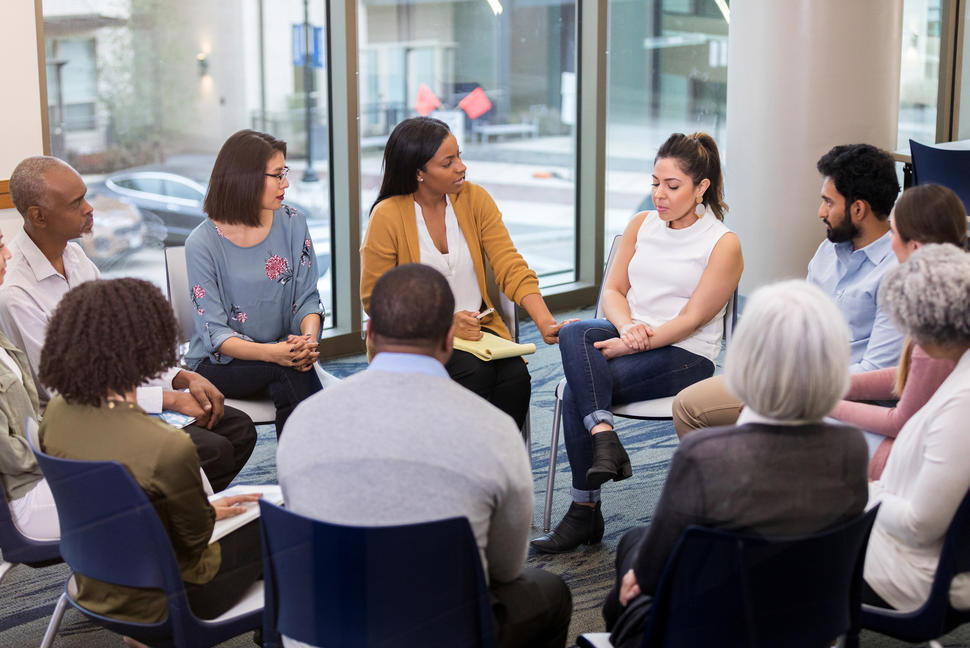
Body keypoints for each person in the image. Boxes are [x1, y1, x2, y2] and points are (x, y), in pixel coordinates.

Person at [278, 264, 572, 648]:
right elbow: (505, 566)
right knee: (549, 591)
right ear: (450, 341)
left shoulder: (305, 418)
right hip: (443, 631)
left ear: (369, 334)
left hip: (321, 630)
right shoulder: (495, 430)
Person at [601, 280, 869, 647]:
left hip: (710, 629)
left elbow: (651, 574)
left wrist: (640, 578)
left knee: (630, 559)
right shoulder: (851, 447)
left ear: (746, 359)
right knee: (637, 542)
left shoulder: (707, 455)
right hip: (805, 624)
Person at [531, 132, 743, 553]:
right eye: (655, 183)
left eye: (672, 186)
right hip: (635, 331)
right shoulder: (640, 224)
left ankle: (584, 512)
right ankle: (604, 431)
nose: (659, 195)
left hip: (686, 354)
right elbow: (613, 292)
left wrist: (634, 344)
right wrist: (628, 328)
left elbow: (693, 318)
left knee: (578, 391)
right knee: (575, 331)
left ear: (701, 188)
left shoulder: (722, 243)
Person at [0, 156, 256, 492]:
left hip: (121, 398)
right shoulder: (16, 293)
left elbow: (118, 349)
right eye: (77, 202)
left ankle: (179, 514)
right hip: (84, 420)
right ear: (38, 216)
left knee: (237, 429)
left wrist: (179, 377)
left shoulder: (76, 258)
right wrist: (165, 400)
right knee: (211, 451)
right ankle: (166, 523)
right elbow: (65, 392)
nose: (90, 208)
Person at [38, 278, 262, 624]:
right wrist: (206, 516)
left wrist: (206, 511)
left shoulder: (56, 414)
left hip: (93, 582)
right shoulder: (168, 447)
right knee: (279, 528)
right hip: (167, 602)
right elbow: (196, 540)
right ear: (149, 347)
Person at [671, 143, 903, 438]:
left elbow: (876, 374)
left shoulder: (899, 275)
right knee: (688, 406)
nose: (821, 211)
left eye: (829, 203)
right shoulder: (829, 250)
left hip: (847, 399)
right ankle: (722, 480)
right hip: (795, 378)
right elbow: (798, 329)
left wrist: (787, 391)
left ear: (858, 209)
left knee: (759, 425)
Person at [360, 116, 574, 430]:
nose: (461, 166)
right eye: (448, 162)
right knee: (474, 373)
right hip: (420, 340)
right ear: (419, 172)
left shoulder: (474, 199)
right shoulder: (388, 215)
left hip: (479, 332)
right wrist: (444, 324)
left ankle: (498, 470)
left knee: (515, 377)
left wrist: (545, 322)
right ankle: (462, 468)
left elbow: (509, 264)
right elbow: (375, 299)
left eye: (459, 156)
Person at [185, 129, 324, 438]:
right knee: (287, 371)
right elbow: (215, 334)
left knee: (289, 374)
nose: (286, 183)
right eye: (277, 175)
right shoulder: (203, 243)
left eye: (284, 173)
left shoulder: (293, 223)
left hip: (284, 355)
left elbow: (307, 299)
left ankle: (304, 464)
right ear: (246, 179)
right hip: (219, 365)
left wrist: (307, 342)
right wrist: (275, 353)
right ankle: (319, 461)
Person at [829, 183, 967, 479]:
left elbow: (901, 420)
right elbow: (909, 376)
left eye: (893, 233)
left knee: (791, 427)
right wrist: (832, 384)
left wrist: (825, 403)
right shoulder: (953, 295)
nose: (889, 242)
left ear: (915, 247)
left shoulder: (937, 319)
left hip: (914, 459)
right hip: (931, 442)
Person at [863, 244, 970, 612]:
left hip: (912, 572)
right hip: (914, 552)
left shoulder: (963, 404)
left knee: (774, 536)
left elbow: (920, 524)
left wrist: (859, 494)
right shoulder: (960, 375)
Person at [0, 225, 57, 540]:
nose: (8, 254)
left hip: (42, 475)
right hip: (25, 497)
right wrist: (56, 454)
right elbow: (6, 453)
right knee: (146, 494)